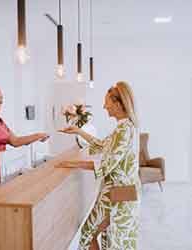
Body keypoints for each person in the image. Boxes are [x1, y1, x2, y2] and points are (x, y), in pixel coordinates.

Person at [57, 81, 141, 250]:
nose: (104, 106)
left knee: (90, 233)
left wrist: (72, 164)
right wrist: (79, 131)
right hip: (122, 192)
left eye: (107, 102)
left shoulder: (123, 131)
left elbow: (106, 164)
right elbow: (103, 146)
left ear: (117, 103)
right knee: (102, 235)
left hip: (118, 193)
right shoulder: (125, 128)